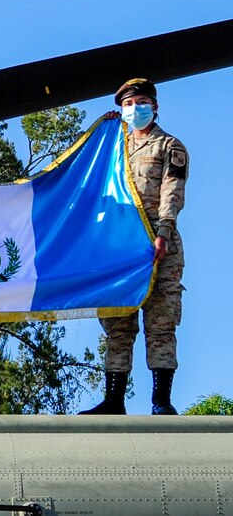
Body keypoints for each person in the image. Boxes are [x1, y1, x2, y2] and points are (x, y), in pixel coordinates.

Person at [81, 78, 188, 416]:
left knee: (161, 322)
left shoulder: (169, 146)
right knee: (118, 323)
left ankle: (161, 401)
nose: (135, 109)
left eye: (141, 102)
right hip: (119, 249)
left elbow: (172, 192)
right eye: (128, 104)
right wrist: (101, 132)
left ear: (155, 107)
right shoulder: (114, 146)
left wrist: (165, 231)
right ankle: (114, 401)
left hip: (158, 245)